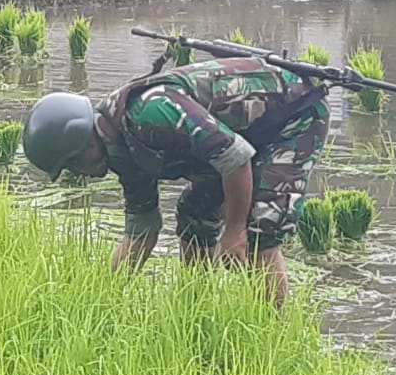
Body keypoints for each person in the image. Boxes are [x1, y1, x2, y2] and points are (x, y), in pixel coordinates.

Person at [21, 56, 330, 306]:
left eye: (71, 165)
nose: (77, 175)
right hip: (241, 137)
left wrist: (235, 230)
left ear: (83, 143)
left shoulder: (151, 114)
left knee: (264, 225)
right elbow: (141, 230)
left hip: (291, 117)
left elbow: (236, 158)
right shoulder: (119, 149)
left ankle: (270, 335)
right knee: (193, 212)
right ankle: (196, 308)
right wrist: (103, 299)